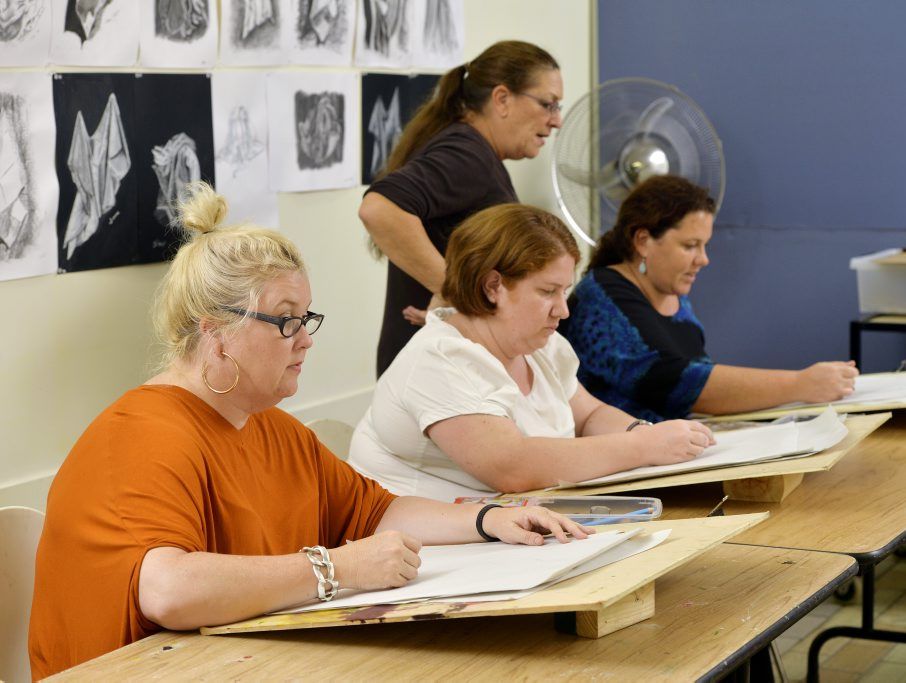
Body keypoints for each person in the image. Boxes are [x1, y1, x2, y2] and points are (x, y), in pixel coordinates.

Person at [28, 184, 591, 679]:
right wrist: (337, 569)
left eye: (307, 318)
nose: (305, 339)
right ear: (217, 330)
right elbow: (168, 590)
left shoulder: (270, 427)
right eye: (287, 319)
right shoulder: (141, 435)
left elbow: (371, 511)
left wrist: (490, 519)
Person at [347, 203, 715, 501]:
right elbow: (513, 467)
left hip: (501, 534)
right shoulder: (439, 360)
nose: (563, 309)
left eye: (564, 290)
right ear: (494, 286)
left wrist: (645, 433)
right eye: (547, 292)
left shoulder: (539, 343)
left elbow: (589, 415)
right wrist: (643, 446)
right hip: (425, 556)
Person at [563, 175, 859, 422]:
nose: (703, 259)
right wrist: (800, 385)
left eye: (704, 245)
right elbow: (674, 382)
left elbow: (699, 377)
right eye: (690, 246)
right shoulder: (600, 297)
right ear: (643, 241)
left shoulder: (671, 292)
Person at [359, 40, 564, 376]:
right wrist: (456, 293)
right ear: (501, 99)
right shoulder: (467, 155)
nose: (555, 121)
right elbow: (379, 208)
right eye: (548, 105)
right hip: (434, 372)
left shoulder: (473, 151)